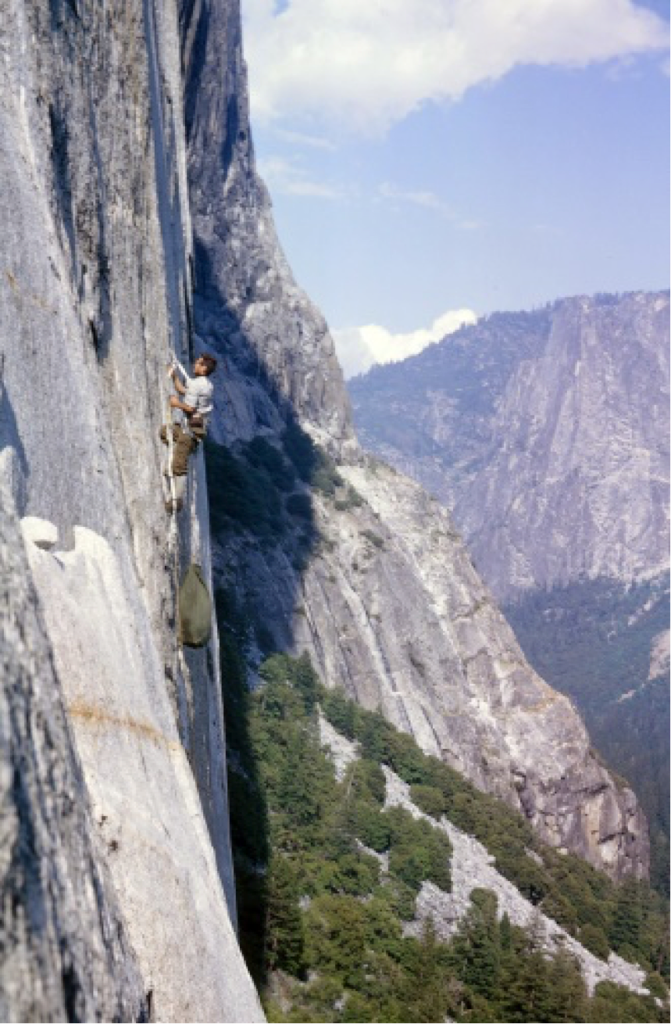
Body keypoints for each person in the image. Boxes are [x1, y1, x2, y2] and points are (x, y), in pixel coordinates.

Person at [161, 353, 217, 512]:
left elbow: (190, 408)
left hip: (192, 431)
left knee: (179, 466)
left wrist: (175, 403)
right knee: (165, 432)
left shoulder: (198, 385)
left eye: (198, 363)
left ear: (204, 367)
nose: (194, 365)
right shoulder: (205, 384)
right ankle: (177, 453)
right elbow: (183, 390)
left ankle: (176, 501)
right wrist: (174, 376)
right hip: (192, 428)